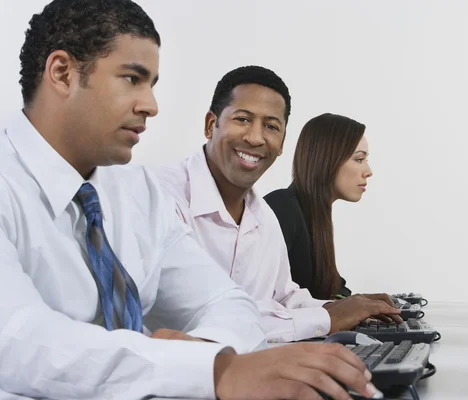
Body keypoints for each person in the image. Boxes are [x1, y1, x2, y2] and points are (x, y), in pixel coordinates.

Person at [0, 1, 383, 399]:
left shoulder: (136, 193)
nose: (151, 105)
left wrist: (203, 356)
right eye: (132, 79)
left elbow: (227, 303)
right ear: (62, 73)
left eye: (152, 84)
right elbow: (18, 340)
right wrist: (211, 370)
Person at [155, 65, 401, 345]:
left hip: (251, 375)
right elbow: (208, 319)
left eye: (271, 127)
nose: (256, 137)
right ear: (211, 125)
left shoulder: (264, 217)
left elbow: (283, 298)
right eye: (243, 119)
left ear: (282, 143)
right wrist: (328, 318)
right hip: (177, 383)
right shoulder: (161, 198)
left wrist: (345, 308)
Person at [265, 113, 373, 300]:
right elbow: (267, 303)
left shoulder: (316, 216)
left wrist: (361, 304)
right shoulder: (282, 208)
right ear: (328, 159)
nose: (368, 171)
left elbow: (334, 287)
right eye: (359, 159)